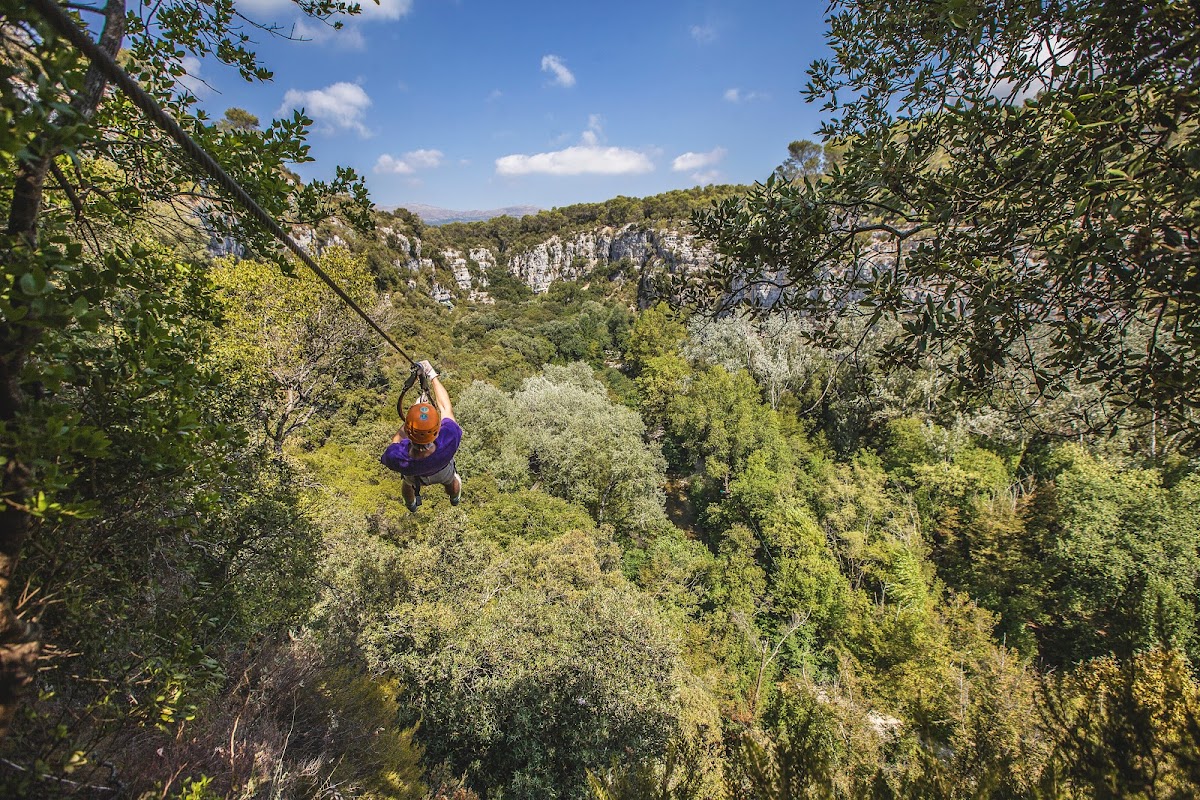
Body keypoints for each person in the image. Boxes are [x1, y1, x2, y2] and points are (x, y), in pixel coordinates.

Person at [380, 360, 462, 512]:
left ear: (408, 430)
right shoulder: (448, 440)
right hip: (442, 469)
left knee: (407, 483)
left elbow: (396, 440)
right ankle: (454, 497)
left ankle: (411, 504)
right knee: (451, 481)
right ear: (437, 430)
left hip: (413, 474)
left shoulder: (398, 458)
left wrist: (414, 414)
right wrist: (432, 375)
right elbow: (446, 408)